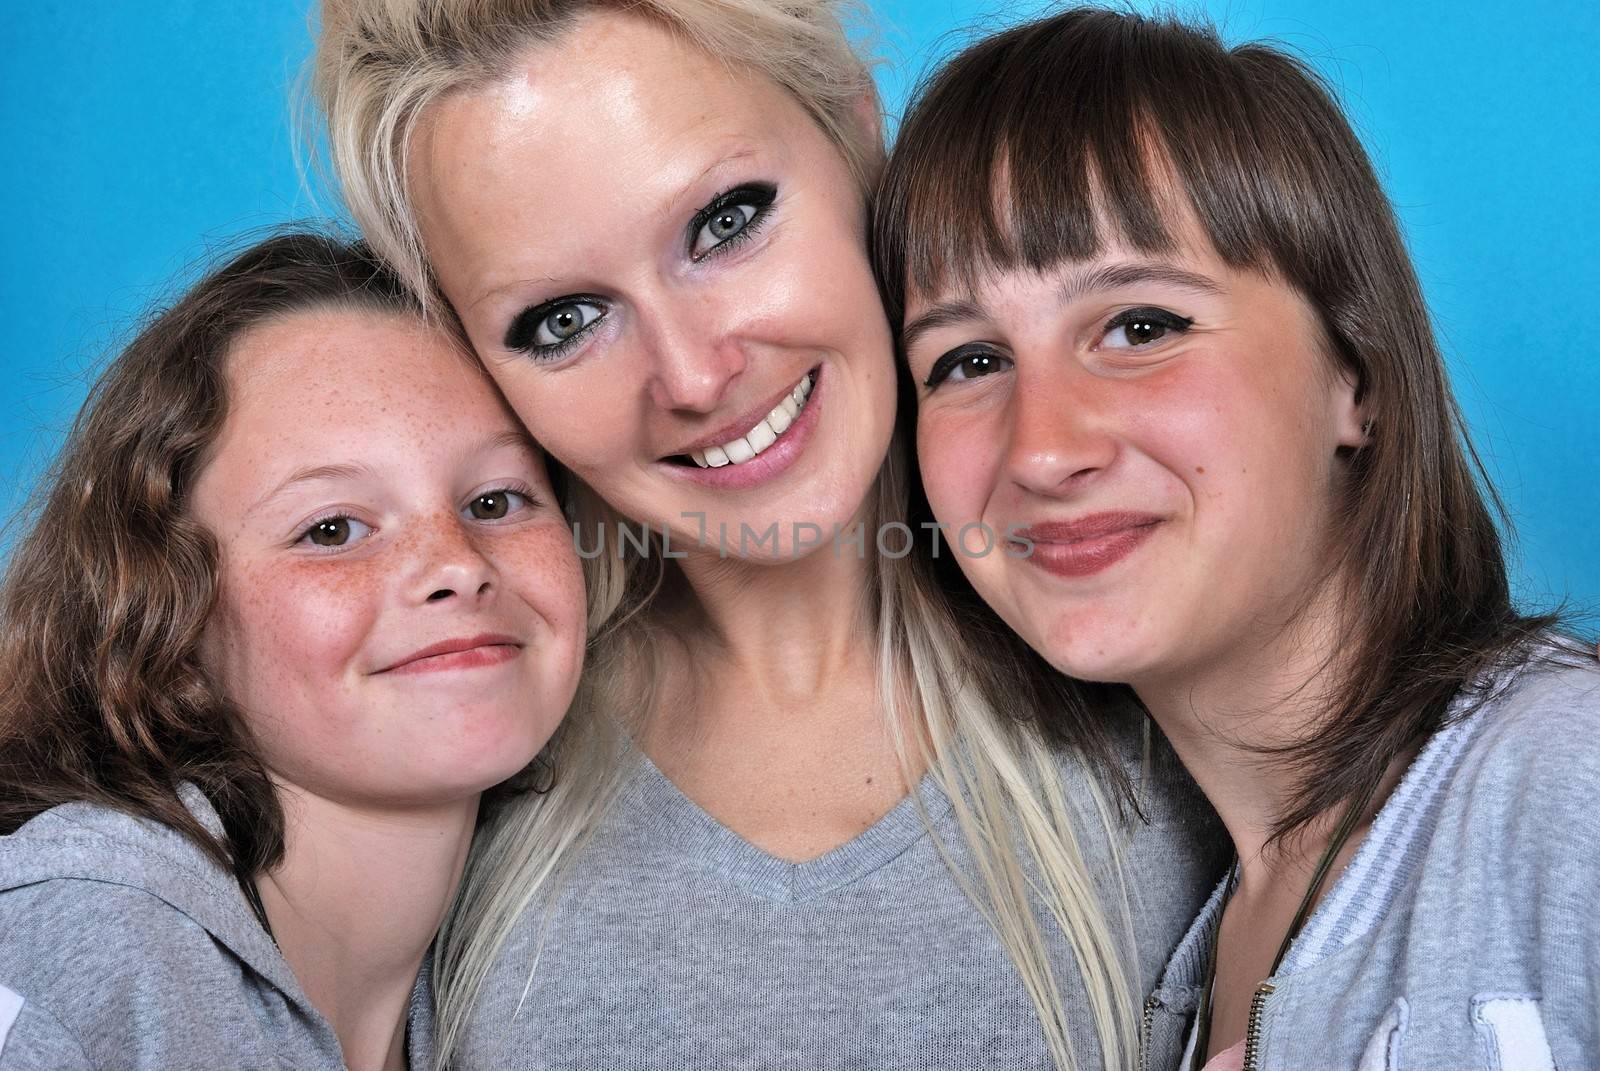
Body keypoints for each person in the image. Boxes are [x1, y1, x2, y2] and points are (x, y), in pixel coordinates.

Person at [313, 3, 1226, 1068]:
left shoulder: (1176, 661)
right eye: (563, 320)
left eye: (726, 222)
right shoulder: (427, 759)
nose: (695, 376)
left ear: (853, 131)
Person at [873, 8, 1600, 1070]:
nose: (1040, 451)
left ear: (1355, 377)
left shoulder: (1567, 783)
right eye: (968, 361)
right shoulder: (1179, 964)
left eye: (1139, 326)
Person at [0, 231, 587, 1071]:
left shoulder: (528, 979)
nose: (457, 562)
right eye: (333, 528)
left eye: (496, 499)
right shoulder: (58, 956)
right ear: (165, 624)